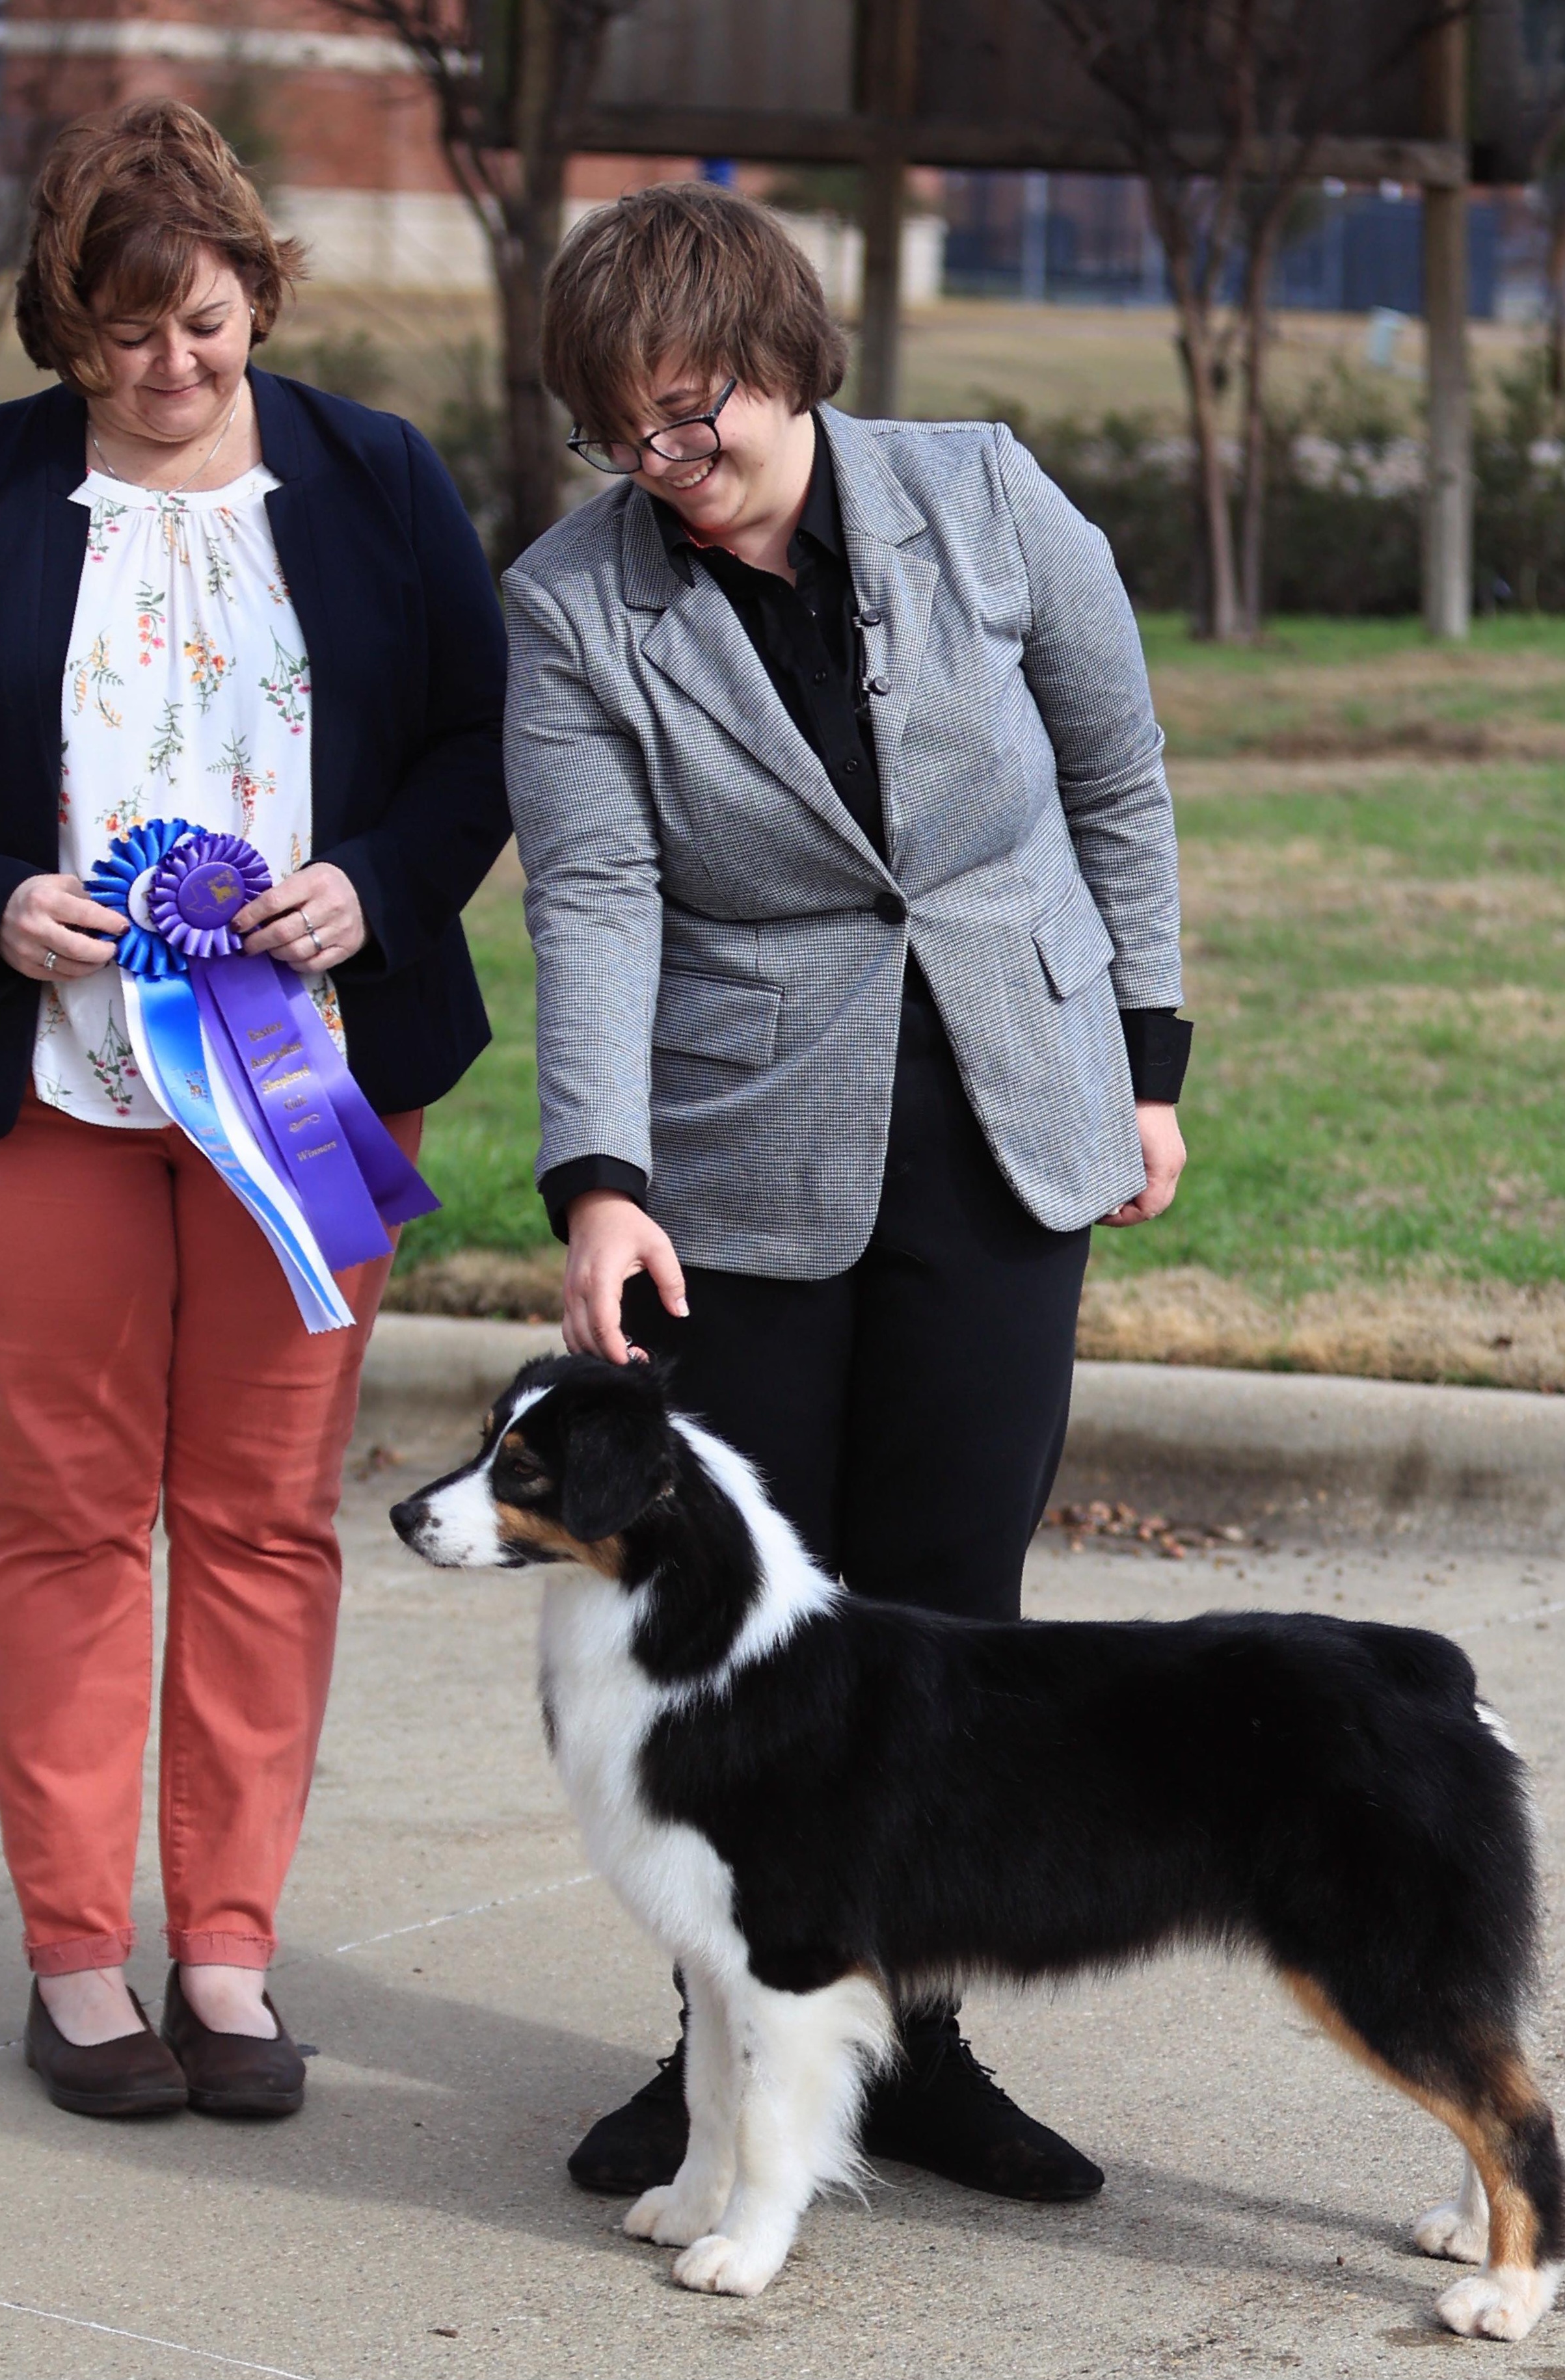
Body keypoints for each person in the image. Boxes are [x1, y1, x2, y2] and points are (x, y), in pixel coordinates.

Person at [0, 98, 510, 2122]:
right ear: (62, 332)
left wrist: (378, 876)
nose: (167, 369)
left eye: (199, 325)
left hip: (310, 1086)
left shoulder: (374, 477)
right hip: (39, 1094)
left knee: (268, 1514)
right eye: (121, 337)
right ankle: (78, 1960)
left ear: (259, 296)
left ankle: (228, 1948)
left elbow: (480, 740)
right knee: (73, 1510)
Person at [503, 183, 1190, 2203]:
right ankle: (720, 2038)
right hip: (741, 1158)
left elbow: (1115, 774)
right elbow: (600, 895)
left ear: (786, 359)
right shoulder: (572, 604)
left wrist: (1146, 1062)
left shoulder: (983, 493)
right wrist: (603, 1178)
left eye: (693, 415)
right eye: (619, 432)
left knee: (949, 1613)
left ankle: (923, 2042)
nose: (662, 468)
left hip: (1006, 1110)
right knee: (741, 1633)